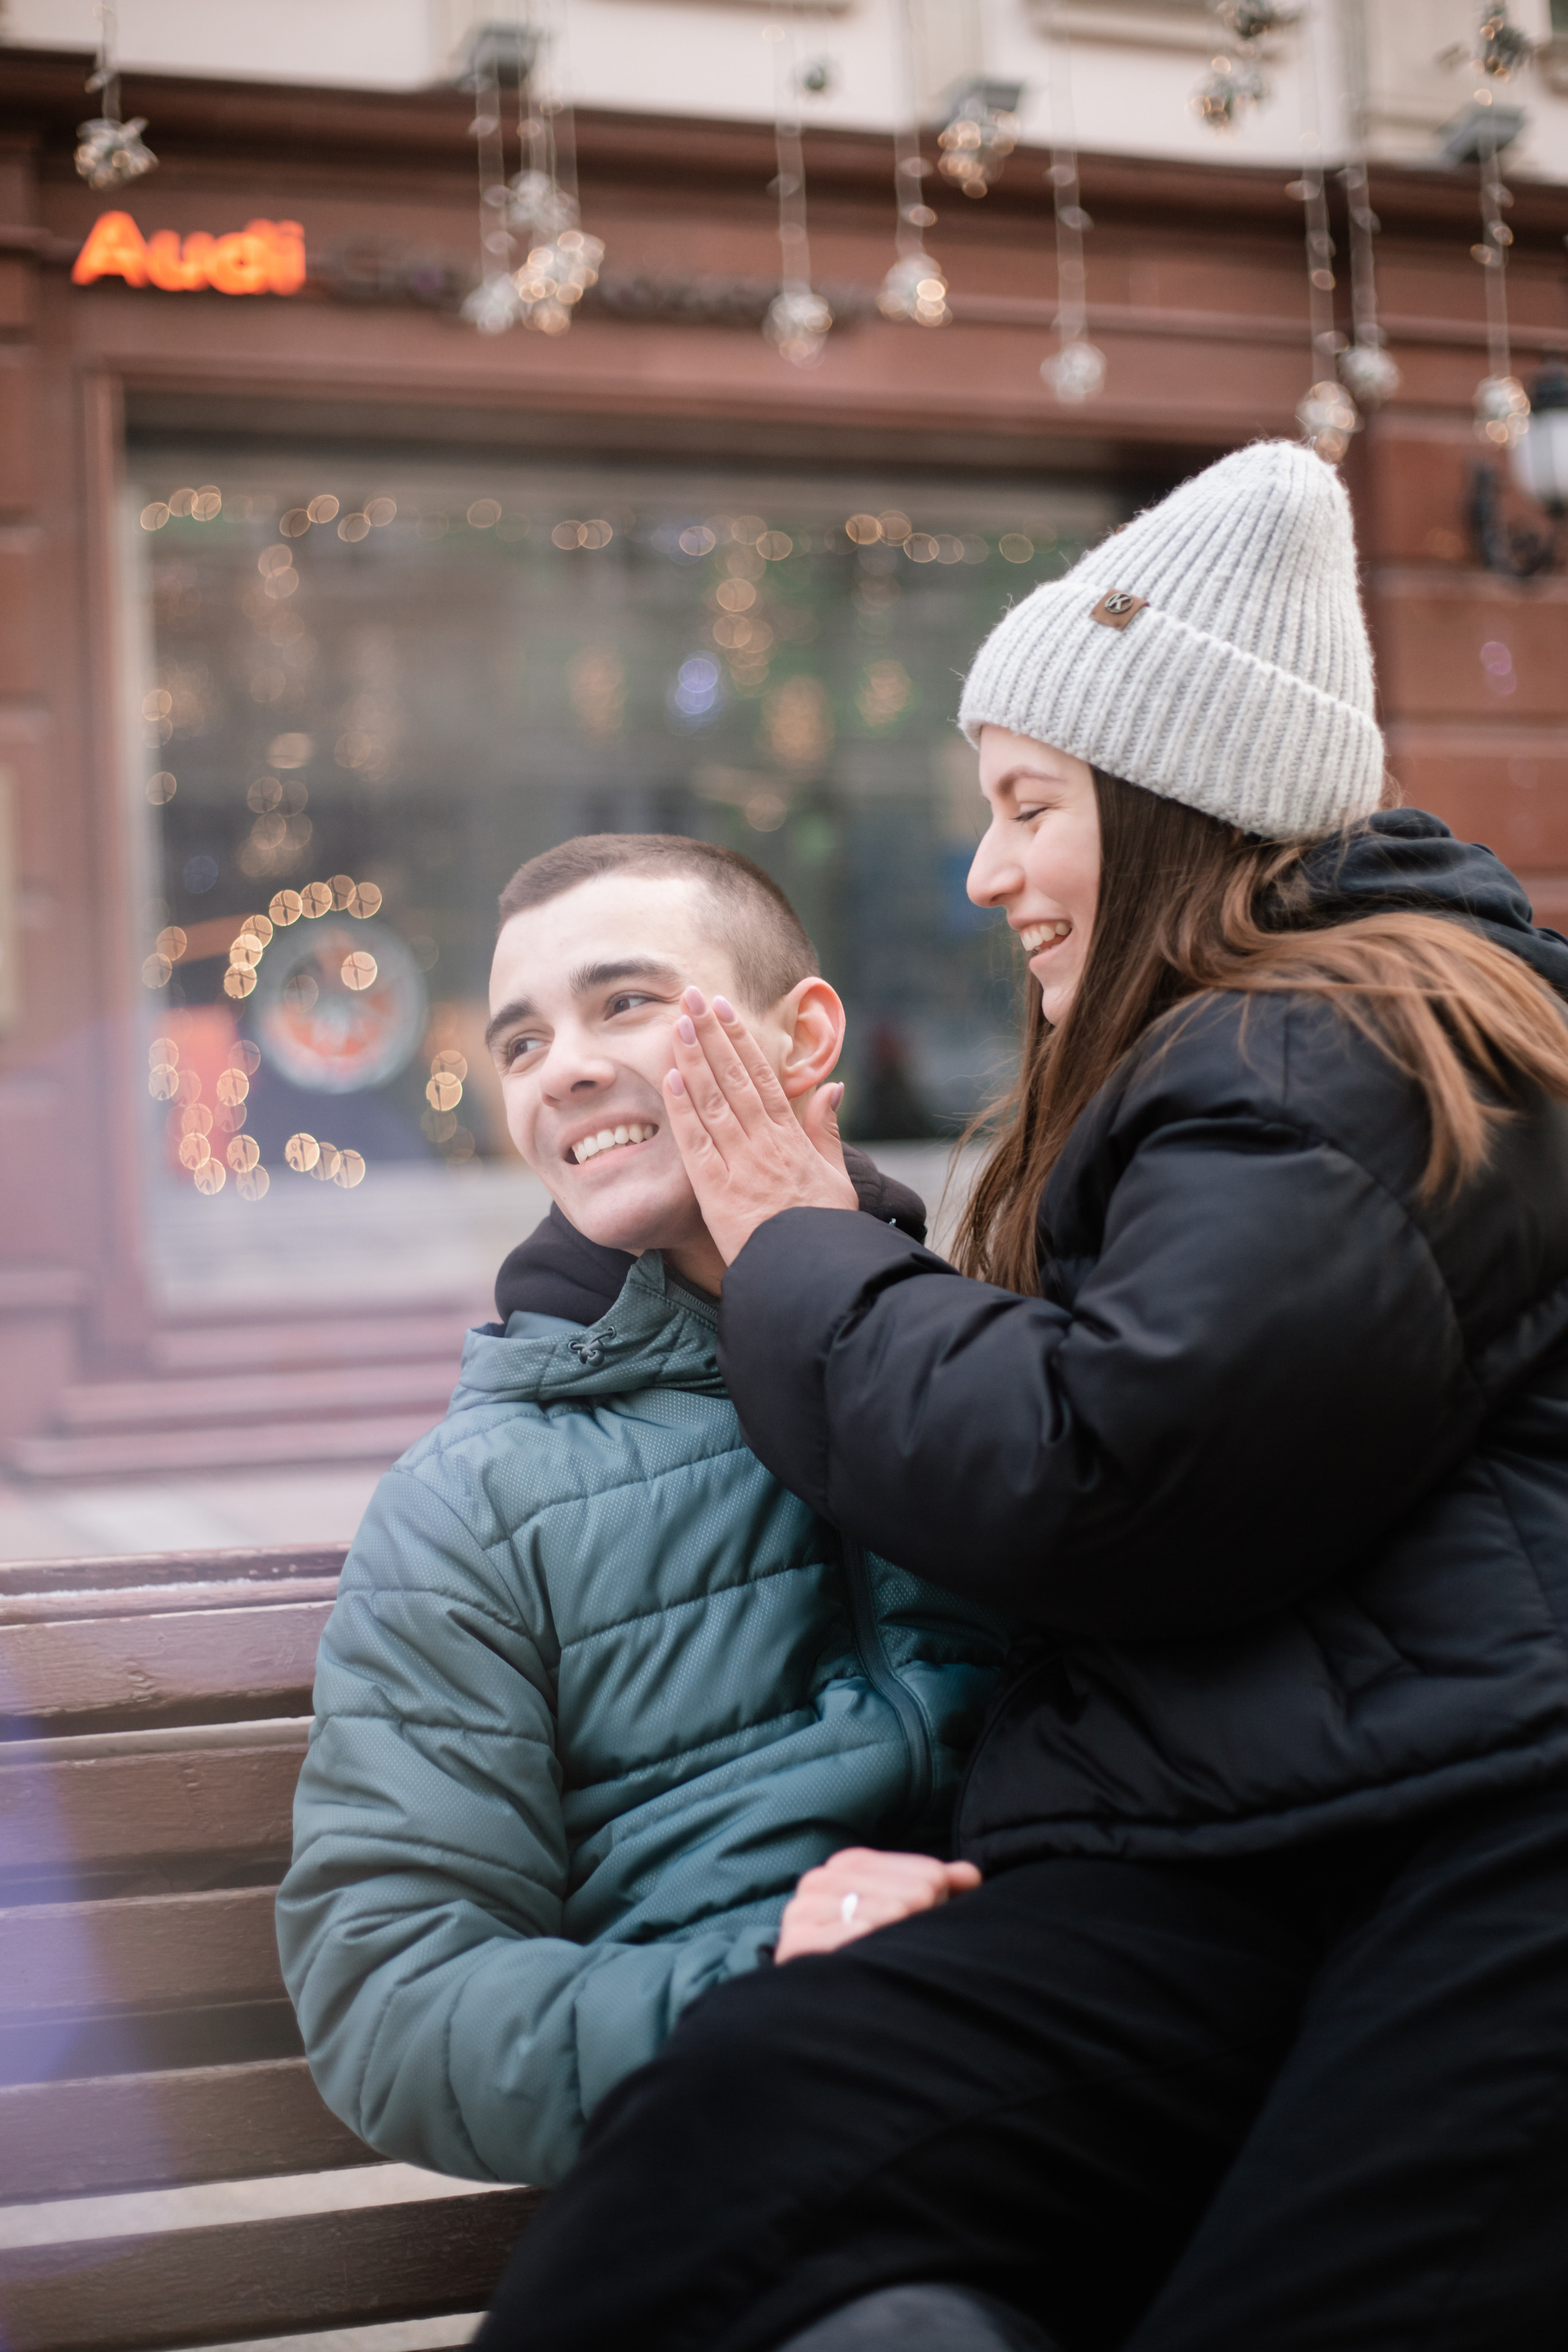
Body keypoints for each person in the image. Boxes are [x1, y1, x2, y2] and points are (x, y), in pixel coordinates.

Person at [474, 444, 1568, 2351]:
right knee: (734, 2140)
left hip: (1464, 1847)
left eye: (1026, 807)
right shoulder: (1307, 1040)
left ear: (1168, 802)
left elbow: (1109, 1468)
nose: (986, 875)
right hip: (1285, 1836)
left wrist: (804, 1240)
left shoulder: (1327, 1040)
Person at [274, 835, 1005, 2189]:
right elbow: (389, 2004)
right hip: (747, 2170)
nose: (562, 1066)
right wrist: (763, 1978)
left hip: (1067, 2088)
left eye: (623, 1002)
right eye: (519, 1041)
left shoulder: (992, 1373)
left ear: (805, 1036)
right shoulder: (471, 1507)